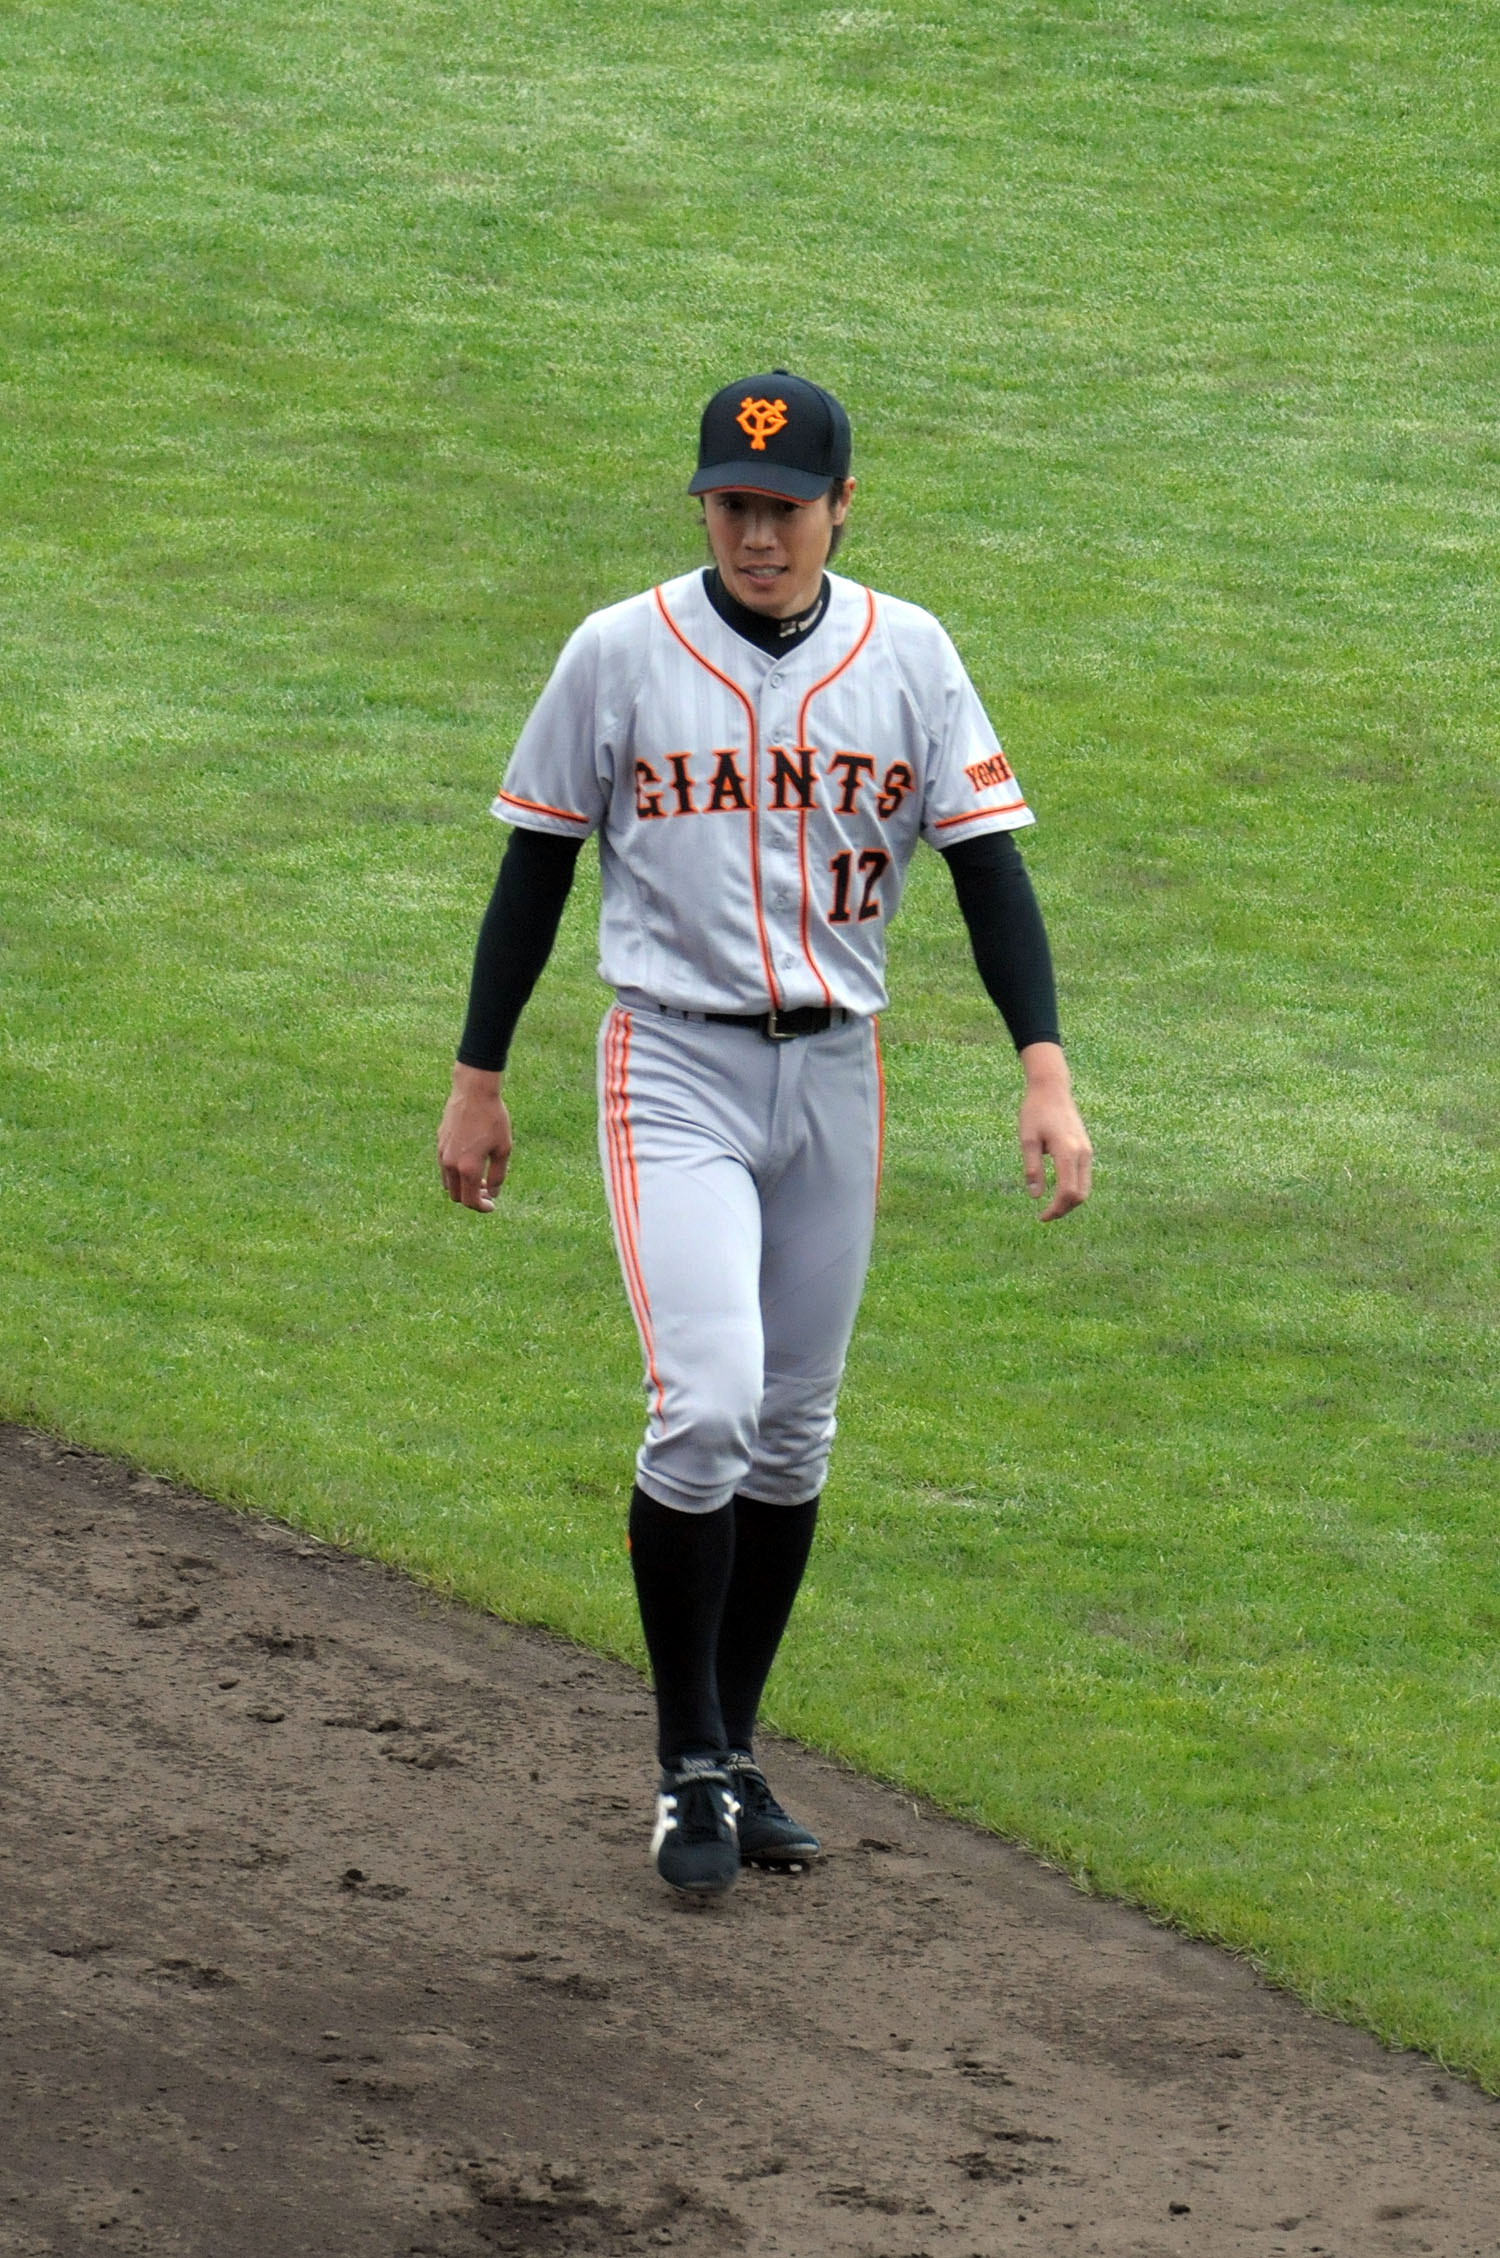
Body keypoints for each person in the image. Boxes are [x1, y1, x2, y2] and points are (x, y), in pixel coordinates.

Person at [437, 369, 1092, 1896]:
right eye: (733, 507)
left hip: (837, 1074)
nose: (756, 534)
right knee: (709, 1403)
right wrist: (479, 1074)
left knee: (794, 1430)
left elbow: (990, 868)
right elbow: (533, 867)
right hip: (670, 1065)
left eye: (785, 508)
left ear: (840, 507)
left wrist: (1043, 1069)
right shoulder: (617, 652)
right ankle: (684, 1769)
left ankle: (732, 1746)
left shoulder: (910, 654)